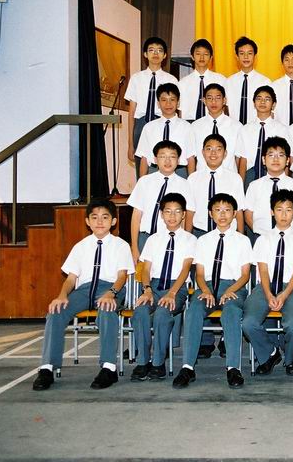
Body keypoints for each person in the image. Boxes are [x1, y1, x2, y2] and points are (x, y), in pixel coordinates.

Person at [32, 199, 134, 391]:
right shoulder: (80, 246)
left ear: (113, 221)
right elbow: (71, 278)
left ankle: (108, 367)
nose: (99, 222)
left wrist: (111, 293)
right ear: (87, 221)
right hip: (85, 289)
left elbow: (122, 276)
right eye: (94, 217)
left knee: (106, 308)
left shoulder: (121, 245)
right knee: (55, 311)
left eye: (105, 217)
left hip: (110, 287)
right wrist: (62, 295)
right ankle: (47, 368)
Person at [172, 193, 252, 389]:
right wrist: (206, 290)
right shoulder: (203, 241)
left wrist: (230, 290)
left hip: (233, 286)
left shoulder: (243, 241)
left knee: (231, 311)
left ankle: (233, 367)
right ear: (210, 213)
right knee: (193, 311)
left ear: (234, 213)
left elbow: (245, 275)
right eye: (217, 210)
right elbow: (199, 273)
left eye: (227, 210)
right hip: (207, 286)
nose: (222, 215)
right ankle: (187, 367)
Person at [242, 189, 293, 377]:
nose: (284, 214)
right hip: (266, 286)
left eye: (289, 210)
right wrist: (269, 294)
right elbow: (263, 270)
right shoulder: (263, 239)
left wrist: (284, 294)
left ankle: (291, 357)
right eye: (279, 210)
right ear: (272, 212)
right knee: (248, 323)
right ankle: (269, 354)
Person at [130, 193, 195, 381]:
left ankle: (158, 363)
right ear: (161, 214)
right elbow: (146, 269)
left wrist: (172, 293)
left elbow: (185, 269)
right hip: (154, 286)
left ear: (184, 215)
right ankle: (143, 362)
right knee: (140, 311)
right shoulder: (153, 239)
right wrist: (147, 290)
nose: (172, 216)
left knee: (162, 313)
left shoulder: (190, 239)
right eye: (168, 211)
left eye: (177, 212)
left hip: (177, 287)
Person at [127, 141, 195, 264]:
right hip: (145, 238)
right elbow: (136, 216)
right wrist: (134, 247)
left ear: (178, 160)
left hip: (171, 239)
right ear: (155, 159)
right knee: (143, 274)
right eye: (163, 156)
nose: (167, 161)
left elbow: (185, 217)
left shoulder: (185, 184)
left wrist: (184, 241)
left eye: (172, 157)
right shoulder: (144, 182)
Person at [125, 37, 179, 176]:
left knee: (164, 164)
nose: (155, 53)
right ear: (145, 54)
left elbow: (176, 108)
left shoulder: (171, 79)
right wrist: (130, 144)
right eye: (151, 50)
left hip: (163, 123)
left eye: (159, 50)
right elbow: (131, 112)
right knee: (141, 167)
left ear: (165, 55)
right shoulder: (136, 78)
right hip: (141, 124)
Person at [244, 136, 293, 236]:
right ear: (263, 160)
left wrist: (290, 234)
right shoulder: (254, 186)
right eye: (271, 155)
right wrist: (263, 237)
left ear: (287, 160)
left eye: (280, 155)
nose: (275, 159)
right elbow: (248, 214)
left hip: (290, 237)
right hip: (261, 237)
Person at [188, 134, 246, 236]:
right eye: (209, 149)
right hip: (200, 232)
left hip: (228, 232)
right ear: (203, 152)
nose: (213, 153)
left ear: (225, 153)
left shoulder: (235, 178)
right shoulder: (193, 178)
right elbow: (190, 210)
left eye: (218, 149)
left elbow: (239, 210)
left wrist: (241, 236)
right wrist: (188, 237)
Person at [235, 84, 291, 188]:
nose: (262, 102)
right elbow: (243, 161)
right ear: (254, 103)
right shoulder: (245, 129)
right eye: (259, 99)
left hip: (274, 173)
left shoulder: (282, 129)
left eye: (267, 99)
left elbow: (286, 158)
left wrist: (285, 184)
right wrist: (241, 186)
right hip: (251, 174)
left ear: (273, 104)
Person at [135, 82, 196, 177]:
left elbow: (191, 158)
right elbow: (144, 158)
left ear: (178, 102)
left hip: (179, 172)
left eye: (172, 99)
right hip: (154, 171)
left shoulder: (187, 127)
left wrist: (192, 182)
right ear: (158, 103)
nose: (168, 104)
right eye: (164, 100)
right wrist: (141, 182)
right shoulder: (149, 127)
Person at [190, 83, 243, 173]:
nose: (213, 102)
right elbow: (191, 157)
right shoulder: (195, 126)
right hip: (202, 176)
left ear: (224, 100)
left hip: (229, 176)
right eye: (209, 98)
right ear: (204, 101)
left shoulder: (237, 126)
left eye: (217, 98)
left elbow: (239, 158)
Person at [225, 36, 271, 124]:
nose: (246, 57)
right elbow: (225, 109)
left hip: (256, 127)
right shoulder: (229, 82)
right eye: (242, 53)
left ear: (255, 56)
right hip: (233, 128)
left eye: (249, 53)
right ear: (237, 56)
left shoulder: (265, 82)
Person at [178, 39, 227, 121]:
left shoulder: (221, 80)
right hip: (190, 123)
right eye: (198, 54)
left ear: (211, 57)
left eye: (206, 54)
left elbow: (225, 107)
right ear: (192, 56)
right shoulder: (183, 83)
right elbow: (180, 110)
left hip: (213, 121)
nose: (202, 57)